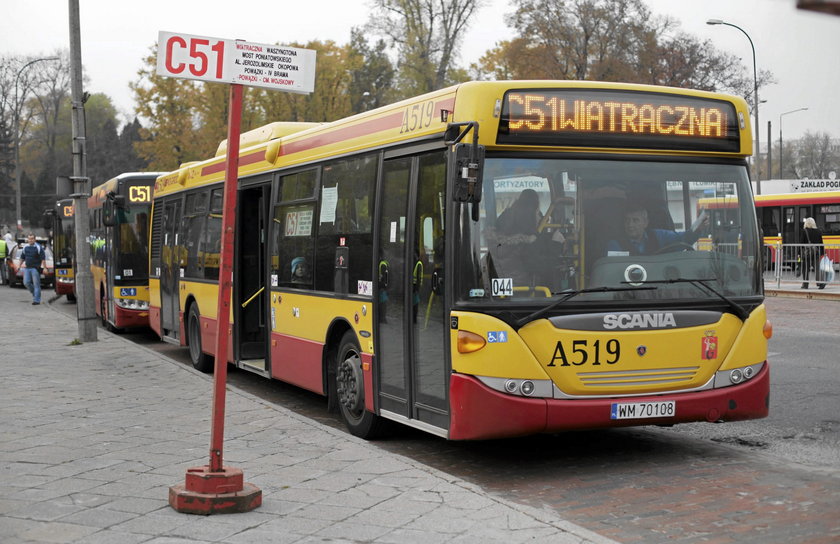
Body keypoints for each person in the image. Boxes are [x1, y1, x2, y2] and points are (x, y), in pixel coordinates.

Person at [606, 202, 707, 256]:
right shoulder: (615, 244)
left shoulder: (659, 236)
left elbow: (683, 239)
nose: (630, 225)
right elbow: (614, 272)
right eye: (627, 220)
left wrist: (698, 229)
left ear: (645, 223)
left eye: (635, 220)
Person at [799, 217, 825, 289]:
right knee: (817, 269)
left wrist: (799, 253)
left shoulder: (804, 231)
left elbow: (801, 243)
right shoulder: (818, 231)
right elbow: (821, 243)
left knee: (805, 269)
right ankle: (821, 283)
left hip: (806, 254)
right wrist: (822, 253)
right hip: (816, 253)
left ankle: (805, 284)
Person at [20, 233, 46, 305]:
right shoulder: (25, 247)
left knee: (36, 284)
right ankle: (35, 293)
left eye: (32, 239)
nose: (30, 240)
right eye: (29, 239)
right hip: (27, 268)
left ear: (35, 239)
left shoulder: (38, 247)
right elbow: (22, 257)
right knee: (26, 283)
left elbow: (43, 258)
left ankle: (36, 300)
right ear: (27, 239)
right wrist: (19, 266)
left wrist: (45, 268)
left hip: (35, 268)